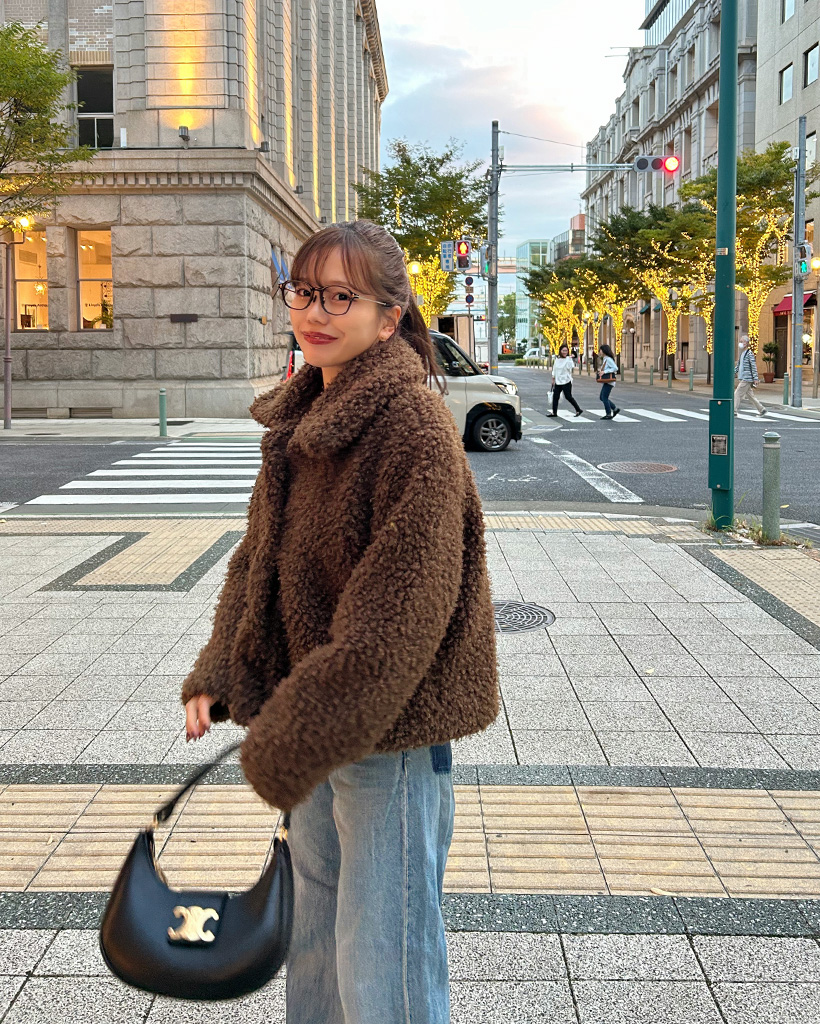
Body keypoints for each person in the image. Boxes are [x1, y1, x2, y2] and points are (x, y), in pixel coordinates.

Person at [181, 220, 499, 1024]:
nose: (314, 313)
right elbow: (259, 560)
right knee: (317, 938)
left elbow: (397, 620)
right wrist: (221, 670)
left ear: (389, 318)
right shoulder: (302, 420)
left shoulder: (411, 429)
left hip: (389, 734)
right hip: (316, 716)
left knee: (384, 956)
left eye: (340, 297)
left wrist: (288, 737)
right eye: (303, 291)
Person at [546, 343, 583, 417]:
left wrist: (570, 359)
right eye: (563, 350)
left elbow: (570, 367)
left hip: (566, 381)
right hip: (558, 381)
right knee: (555, 397)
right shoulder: (557, 359)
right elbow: (554, 369)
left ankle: (578, 409)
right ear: (560, 351)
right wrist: (553, 378)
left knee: (568, 396)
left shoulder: (568, 359)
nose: (564, 352)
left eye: (566, 351)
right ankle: (554, 412)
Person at [734, 334, 767, 416]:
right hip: (743, 378)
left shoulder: (749, 353)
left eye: (741, 341)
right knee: (750, 396)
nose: (740, 343)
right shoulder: (742, 354)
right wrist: (733, 372)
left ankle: (733, 411)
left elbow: (753, 366)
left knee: (737, 393)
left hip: (746, 378)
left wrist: (756, 378)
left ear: (746, 343)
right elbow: (738, 365)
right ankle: (762, 409)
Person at [597, 343, 620, 419]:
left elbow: (615, 368)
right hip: (607, 381)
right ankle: (615, 409)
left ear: (604, 351)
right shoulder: (605, 359)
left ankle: (608, 413)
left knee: (604, 397)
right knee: (602, 397)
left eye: (600, 350)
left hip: (609, 381)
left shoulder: (608, 359)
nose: (599, 352)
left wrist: (605, 372)